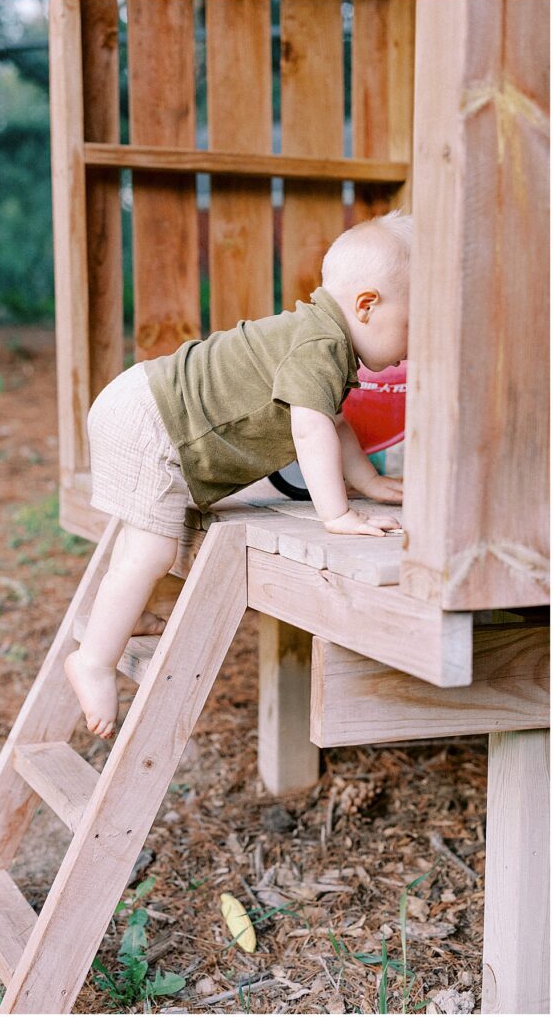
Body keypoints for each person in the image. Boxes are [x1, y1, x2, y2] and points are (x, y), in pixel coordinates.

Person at [65, 209, 411, 739]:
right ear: (367, 306)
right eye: (412, 328)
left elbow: (336, 423)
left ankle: (126, 615)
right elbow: (312, 428)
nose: (413, 347)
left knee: (144, 543)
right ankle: (92, 661)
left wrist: (369, 483)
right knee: (150, 552)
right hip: (152, 418)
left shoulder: (321, 339)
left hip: (145, 403)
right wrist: (337, 514)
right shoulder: (319, 345)